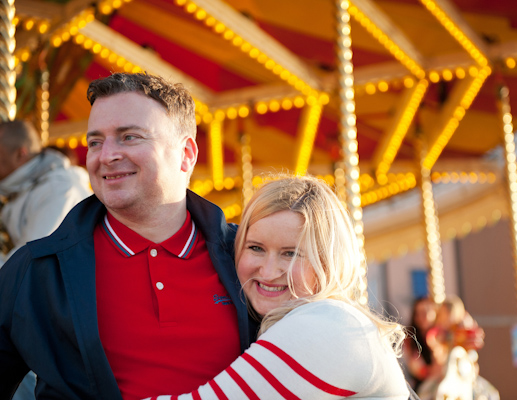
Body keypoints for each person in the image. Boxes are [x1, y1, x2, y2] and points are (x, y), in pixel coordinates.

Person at [0, 73, 256, 399]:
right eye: (95, 142)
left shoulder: (248, 258)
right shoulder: (38, 269)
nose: (106, 155)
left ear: (186, 154)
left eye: (129, 137)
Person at [146, 175, 415, 399]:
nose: (269, 270)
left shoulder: (326, 325)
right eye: (255, 248)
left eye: (291, 253)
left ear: (327, 260)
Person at [0, 119, 92, 400]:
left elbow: (34, 261)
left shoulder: (59, 188)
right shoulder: (24, 190)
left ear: (20, 154)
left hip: (56, 318)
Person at [404, 297, 438, 391]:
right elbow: (418, 370)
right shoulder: (410, 339)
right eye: (418, 314)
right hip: (424, 386)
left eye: (425, 312)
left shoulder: (441, 333)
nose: (422, 317)